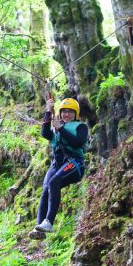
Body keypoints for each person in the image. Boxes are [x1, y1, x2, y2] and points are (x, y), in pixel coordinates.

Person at [29, 98, 88, 240]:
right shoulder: (56, 127)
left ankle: (49, 221)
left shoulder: (81, 127)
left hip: (75, 163)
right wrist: (48, 111)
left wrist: (60, 128)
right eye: (64, 112)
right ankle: (39, 228)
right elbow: (45, 133)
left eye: (70, 112)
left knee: (54, 182)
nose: (66, 114)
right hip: (57, 164)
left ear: (76, 114)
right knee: (46, 190)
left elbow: (78, 142)